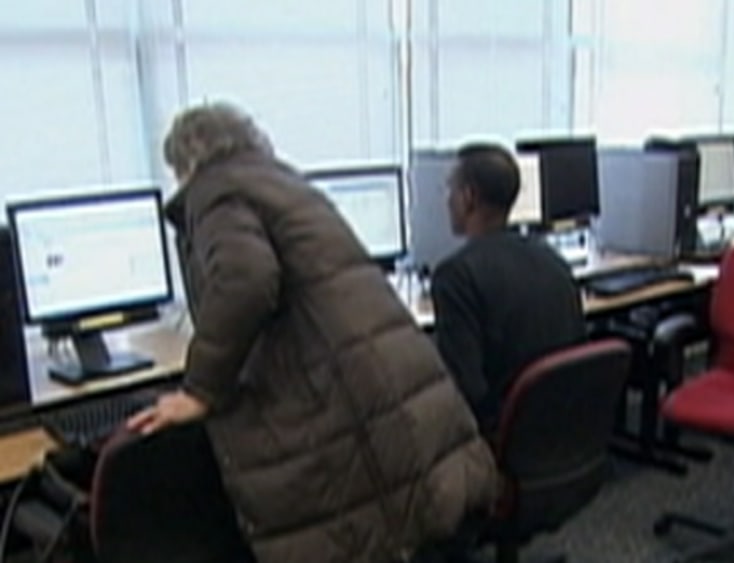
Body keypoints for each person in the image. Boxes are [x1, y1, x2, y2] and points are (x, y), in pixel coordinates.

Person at [127, 102, 498, 563]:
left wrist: (199, 391)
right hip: (388, 399)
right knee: (416, 522)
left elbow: (246, 279)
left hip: (339, 409)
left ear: (187, 165)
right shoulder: (286, 186)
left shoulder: (216, 191)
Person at [431, 143, 586, 434]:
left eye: (451, 189)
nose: (447, 200)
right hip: (565, 427)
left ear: (469, 197)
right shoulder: (553, 260)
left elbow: (467, 391)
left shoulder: (454, 276)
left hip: (506, 434)